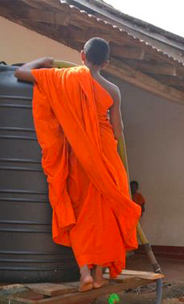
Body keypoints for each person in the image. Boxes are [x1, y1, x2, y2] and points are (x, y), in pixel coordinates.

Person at [14, 37, 141, 291]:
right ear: (106, 62)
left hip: (79, 157)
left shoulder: (64, 77)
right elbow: (117, 130)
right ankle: (99, 272)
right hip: (106, 156)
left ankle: (84, 272)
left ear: (82, 55)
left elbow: (21, 72)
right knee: (106, 213)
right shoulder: (113, 90)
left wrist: (45, 61)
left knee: (80, 213)